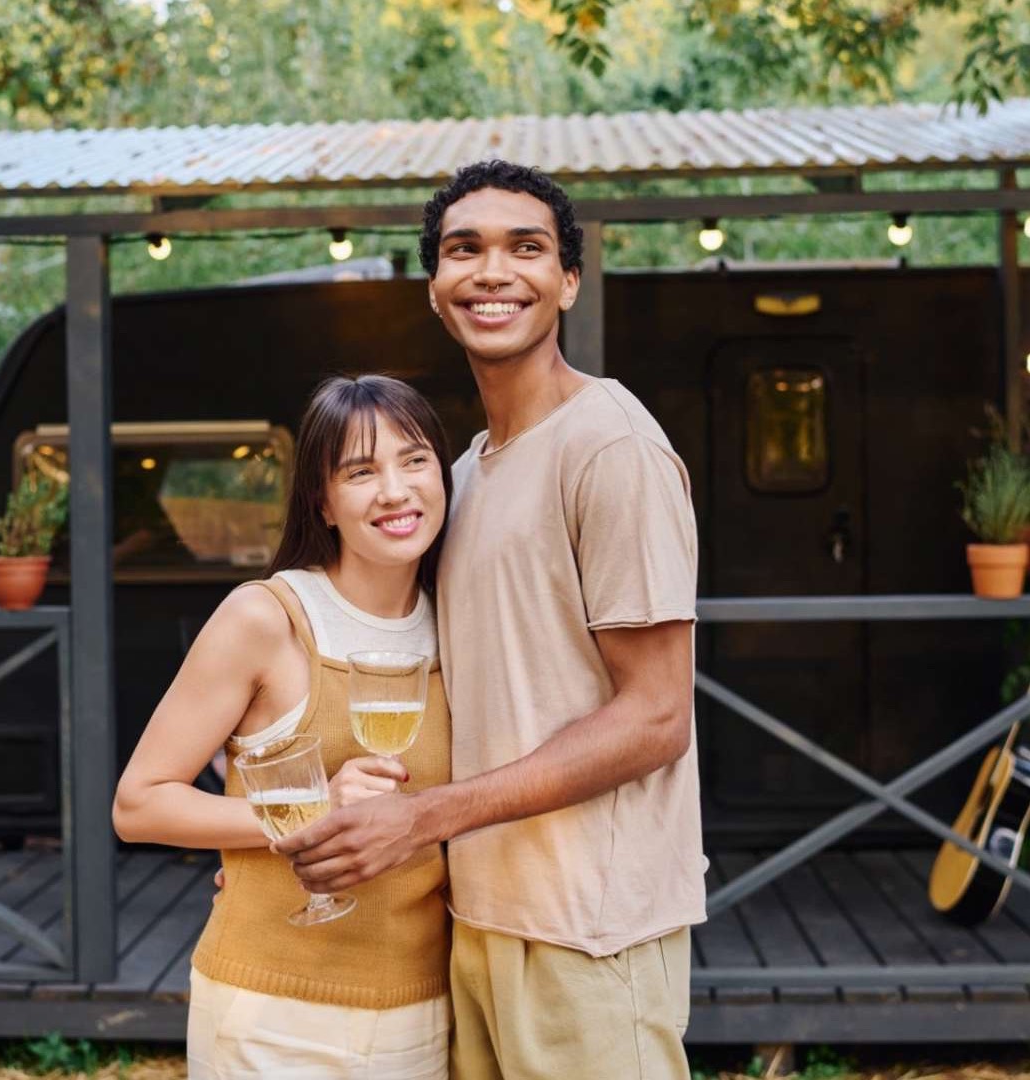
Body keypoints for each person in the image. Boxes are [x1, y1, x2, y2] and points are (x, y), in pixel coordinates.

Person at [274, 161, 705, 1079]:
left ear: (568, 281)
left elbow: (659, 716)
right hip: (478, 917)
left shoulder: (611, 444)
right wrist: (281, 826)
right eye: (464, 249)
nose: (493, 271)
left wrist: (425, 815)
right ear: (435, 288)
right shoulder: (461, 474)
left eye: (527, 248)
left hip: (593, 930)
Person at [112, 374, 457, 1079]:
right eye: (361, 472)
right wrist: (307, 813)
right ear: (323, 502)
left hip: (425, 1010)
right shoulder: (266, 619)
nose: (395, 491)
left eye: (414, 460)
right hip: (275, 1014)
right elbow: (139, 803)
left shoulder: (463, 621)